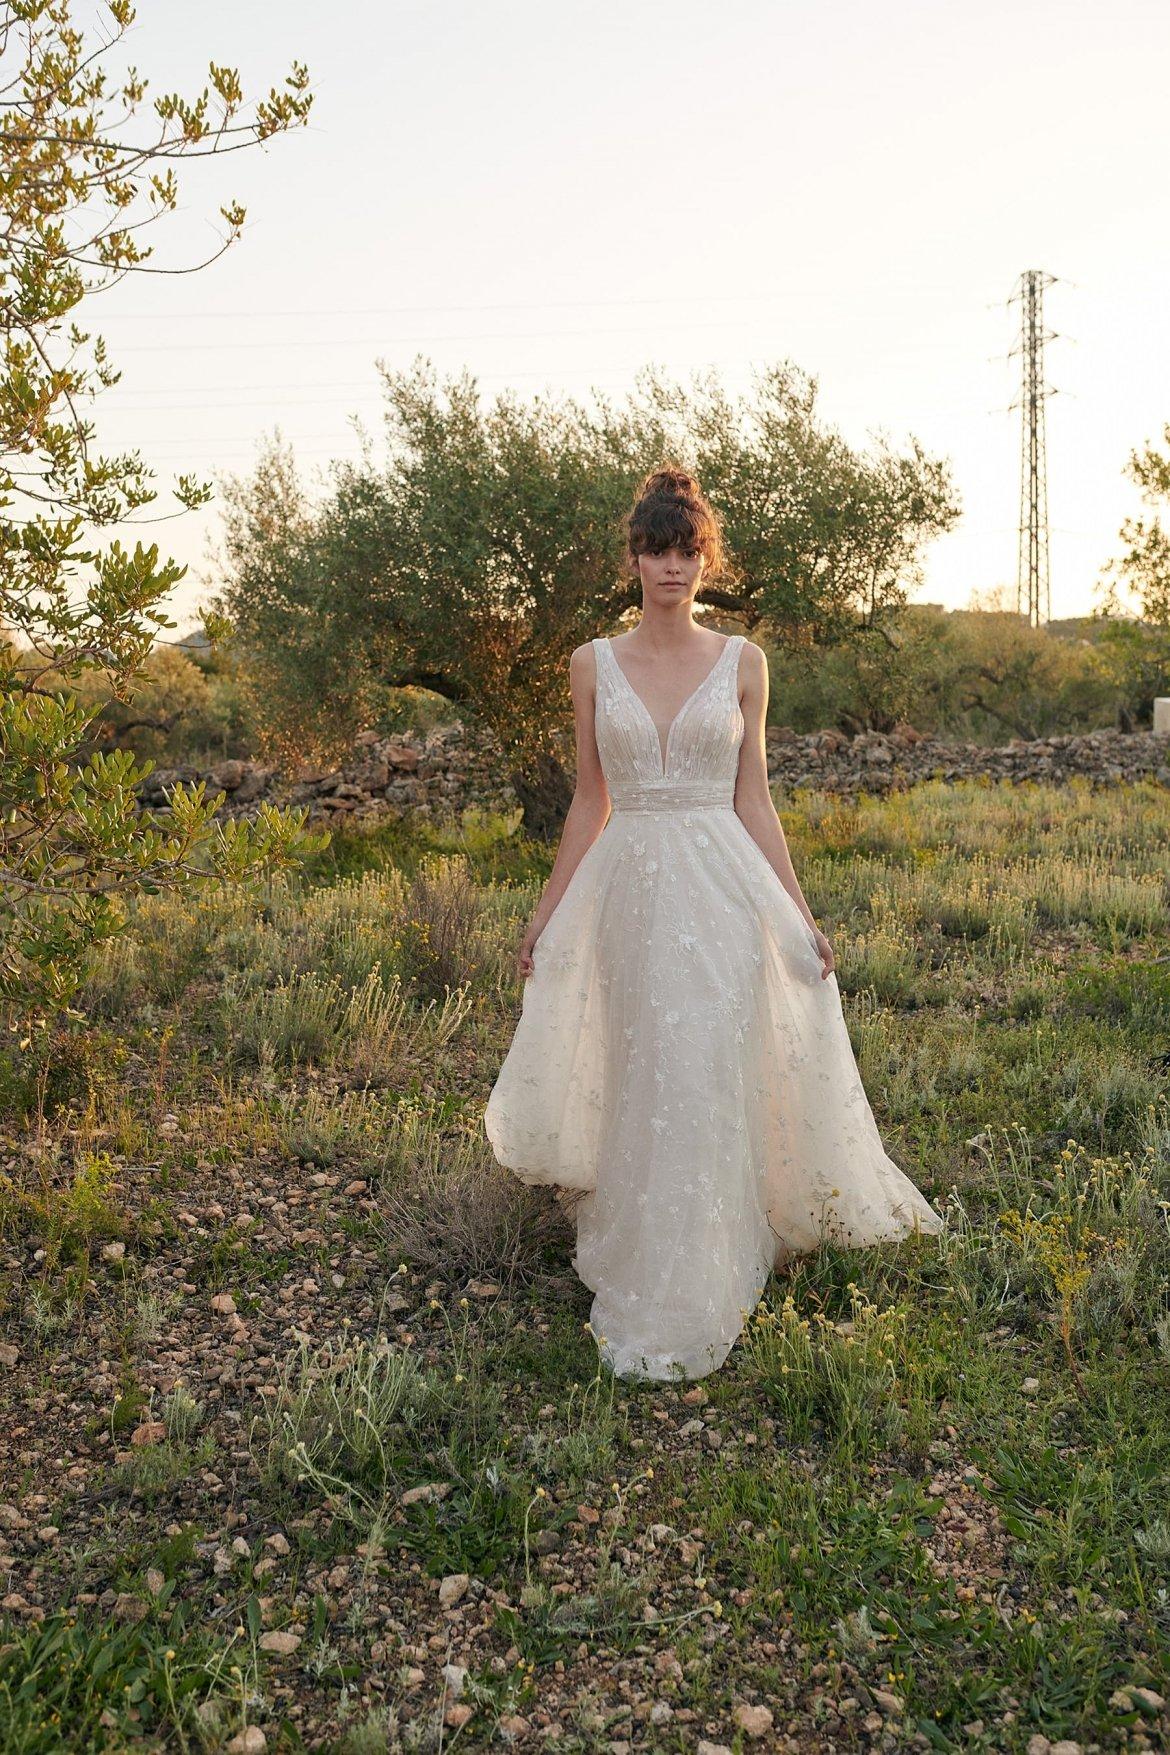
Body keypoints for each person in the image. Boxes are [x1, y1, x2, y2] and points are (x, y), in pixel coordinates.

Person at [483, 465, 944, 1382]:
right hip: (628, 895)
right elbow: (587, 801)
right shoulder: (589, 664)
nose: (671, 565)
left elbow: (756, 798)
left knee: (705, 1061)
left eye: (686, 549)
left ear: (705, 560)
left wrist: (800, 917)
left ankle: (713, 1252)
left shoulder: (743, 663)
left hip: (723, 891)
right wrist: (545, 916)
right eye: (656, 548)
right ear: (632, 558)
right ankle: (649, 1240)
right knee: (648, 1062)